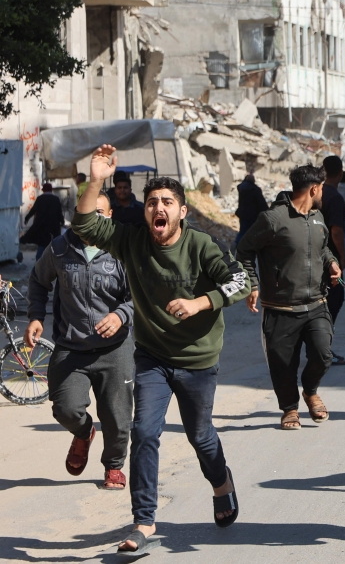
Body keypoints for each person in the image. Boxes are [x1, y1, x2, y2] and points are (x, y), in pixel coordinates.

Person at [73, 145, 251, 556]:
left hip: (198, 360)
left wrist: (199, 303)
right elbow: (83, 223)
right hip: (152, 356)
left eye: (168, 202)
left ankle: (222, 483)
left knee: (200, 436)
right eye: (153, 201)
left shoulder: (202, 245)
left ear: (182, 212)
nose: (159, 208)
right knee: (144, 432)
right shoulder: (130, 240)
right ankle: (143, 521)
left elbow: (239, 283)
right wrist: (95, 177)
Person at [26, 191, 134, 491]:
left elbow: (139, 293)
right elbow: (38, 280)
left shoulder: (122, 249)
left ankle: (113, 466)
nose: (93, 218)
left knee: (117, 415)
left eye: (101, 212)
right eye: (88, 212)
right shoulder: (60, 248)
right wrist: (36, 316)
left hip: (115, 349)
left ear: (110, 216)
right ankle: (84, 433)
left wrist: (121, 315)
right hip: (71, 348)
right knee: (65, 408)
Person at [237, 165, 343, 430]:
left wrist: (331, 263)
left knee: (323, 353)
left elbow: (323, 247)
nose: (323, 193)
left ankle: (310, 390)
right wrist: (252, 284)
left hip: (316, 303)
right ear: (314, 189)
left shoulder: (318, 217)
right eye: (322, 188)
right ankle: (290, 409)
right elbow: (244, 249)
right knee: (282, 364)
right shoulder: (273, 219)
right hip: (280, 306)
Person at [321, 156, 345, 366]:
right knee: (334, 301)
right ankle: (323, 350)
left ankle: (319, 348)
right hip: (330, 262)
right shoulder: (335, 198)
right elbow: (336, 231)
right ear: (340, 173)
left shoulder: (317, 193)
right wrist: (342, 256)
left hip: (313, 258)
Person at [21, 183, 64, 260]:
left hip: (42, 227)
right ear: (51, 190)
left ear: (43, 190)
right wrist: (62, 221)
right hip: (54, 227)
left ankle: (38, 264)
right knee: (53, 246)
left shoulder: (40, 198)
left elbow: (33, 210)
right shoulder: (56, 199)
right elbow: (59, 213)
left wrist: (27, 218)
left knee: (42, 245)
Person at [235, 174, 268, 246]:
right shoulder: (255, 190)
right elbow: (262, 203)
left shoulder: (241, 188)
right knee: (253, 233)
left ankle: (237, 245)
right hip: (253, 216)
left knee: (242, 231)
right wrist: (267, 211)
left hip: (243, 214)